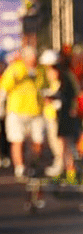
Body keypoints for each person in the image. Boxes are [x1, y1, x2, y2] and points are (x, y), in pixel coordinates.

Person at [0, 46, 47, 178]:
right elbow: (4, 88)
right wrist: (0, 107)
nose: (34, 60)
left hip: (36, 110)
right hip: (17, 110)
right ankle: (19, 167)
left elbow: (44, 88)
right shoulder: (15, 68)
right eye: (31, 58)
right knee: (17, 140)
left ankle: (32, 164)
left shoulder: (41, 69)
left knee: (38, 140)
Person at [39, 50, 80, 181]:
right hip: (59, 114)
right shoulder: (66, 76)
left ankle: (70, 170)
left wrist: (56, 99)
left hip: (63, 115)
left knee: (65, 143)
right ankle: (68, 170)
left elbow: (70, 95)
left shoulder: (66, 77)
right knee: (63, 143)